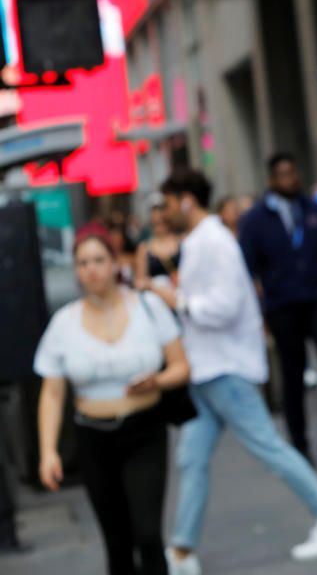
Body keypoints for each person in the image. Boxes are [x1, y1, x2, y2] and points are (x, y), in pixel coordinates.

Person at [153, 169, 317, 574]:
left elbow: (225, 305)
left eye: (166, 203)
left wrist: (177, 300)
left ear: (185, 200)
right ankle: (181, 551)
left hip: (224, 368)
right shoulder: (204, 240)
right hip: (211, 369)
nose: (162, 214)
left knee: (268, 447)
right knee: (191, 459)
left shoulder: (214, 242)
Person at [34, 224, 191, 575]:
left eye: (99, 259)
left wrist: (157, 381)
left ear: (114, 262)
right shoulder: (64, 323)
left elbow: (181, 367)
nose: (91, 268)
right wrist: (47, 452)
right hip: (93, 437)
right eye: (83, 262)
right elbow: (53, 392)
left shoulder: (147, 306)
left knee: (148, 533)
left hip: (144, 430)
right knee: (116, 540)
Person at [238, 154, 317, 463]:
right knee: (293, 374)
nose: (290, 179)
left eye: (293, 173)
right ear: (272, 179)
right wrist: (259, 308)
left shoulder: (312, 208)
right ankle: (300, 443)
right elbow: (247, 267)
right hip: (282, 305)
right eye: (283, 175)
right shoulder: (255, 219)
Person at [135, 194, 182, 288]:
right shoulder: (144, 248)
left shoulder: (181, 241)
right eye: (156, 223)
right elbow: (139, 280)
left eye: (162, 222)